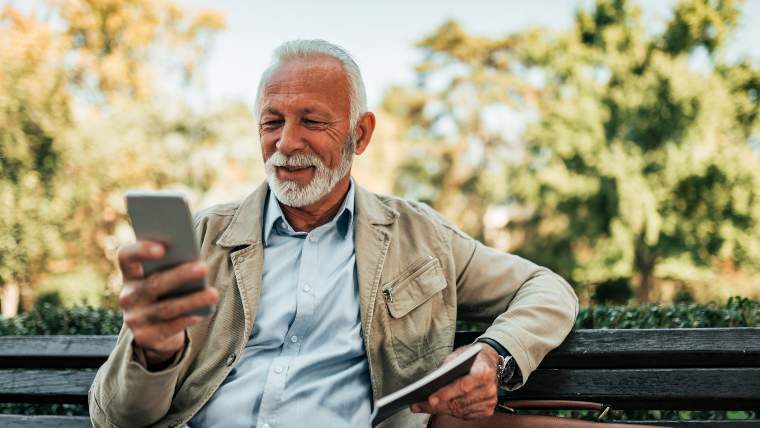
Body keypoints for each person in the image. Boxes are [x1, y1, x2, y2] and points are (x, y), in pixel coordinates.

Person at [89, 39, 578, 428]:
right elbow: (116, 419)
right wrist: (154, 353)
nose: (286, 143)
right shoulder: (200, 239)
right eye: (272, 122)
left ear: (360, 135)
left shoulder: (421, 238)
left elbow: (548, 289)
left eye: (312, 122)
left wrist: (494, 355)